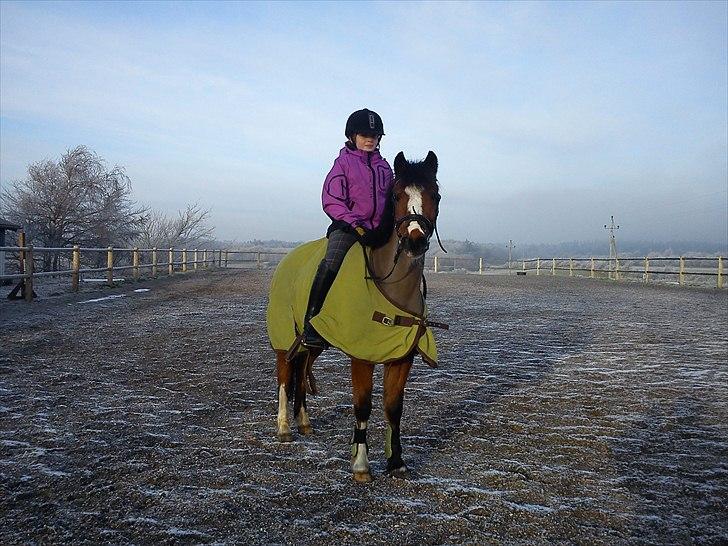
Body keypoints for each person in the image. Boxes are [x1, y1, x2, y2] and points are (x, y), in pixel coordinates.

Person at [302, 108, 394, 348]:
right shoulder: (342, 164)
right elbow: (331, 199)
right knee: (332, 260)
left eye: (374, 135)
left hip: (379, 230)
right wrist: (355, 224)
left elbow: (392, 200)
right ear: (353, 136)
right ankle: (311, 322)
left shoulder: (385, 168)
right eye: (364, 134)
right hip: (349, 227)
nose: (370, 139)